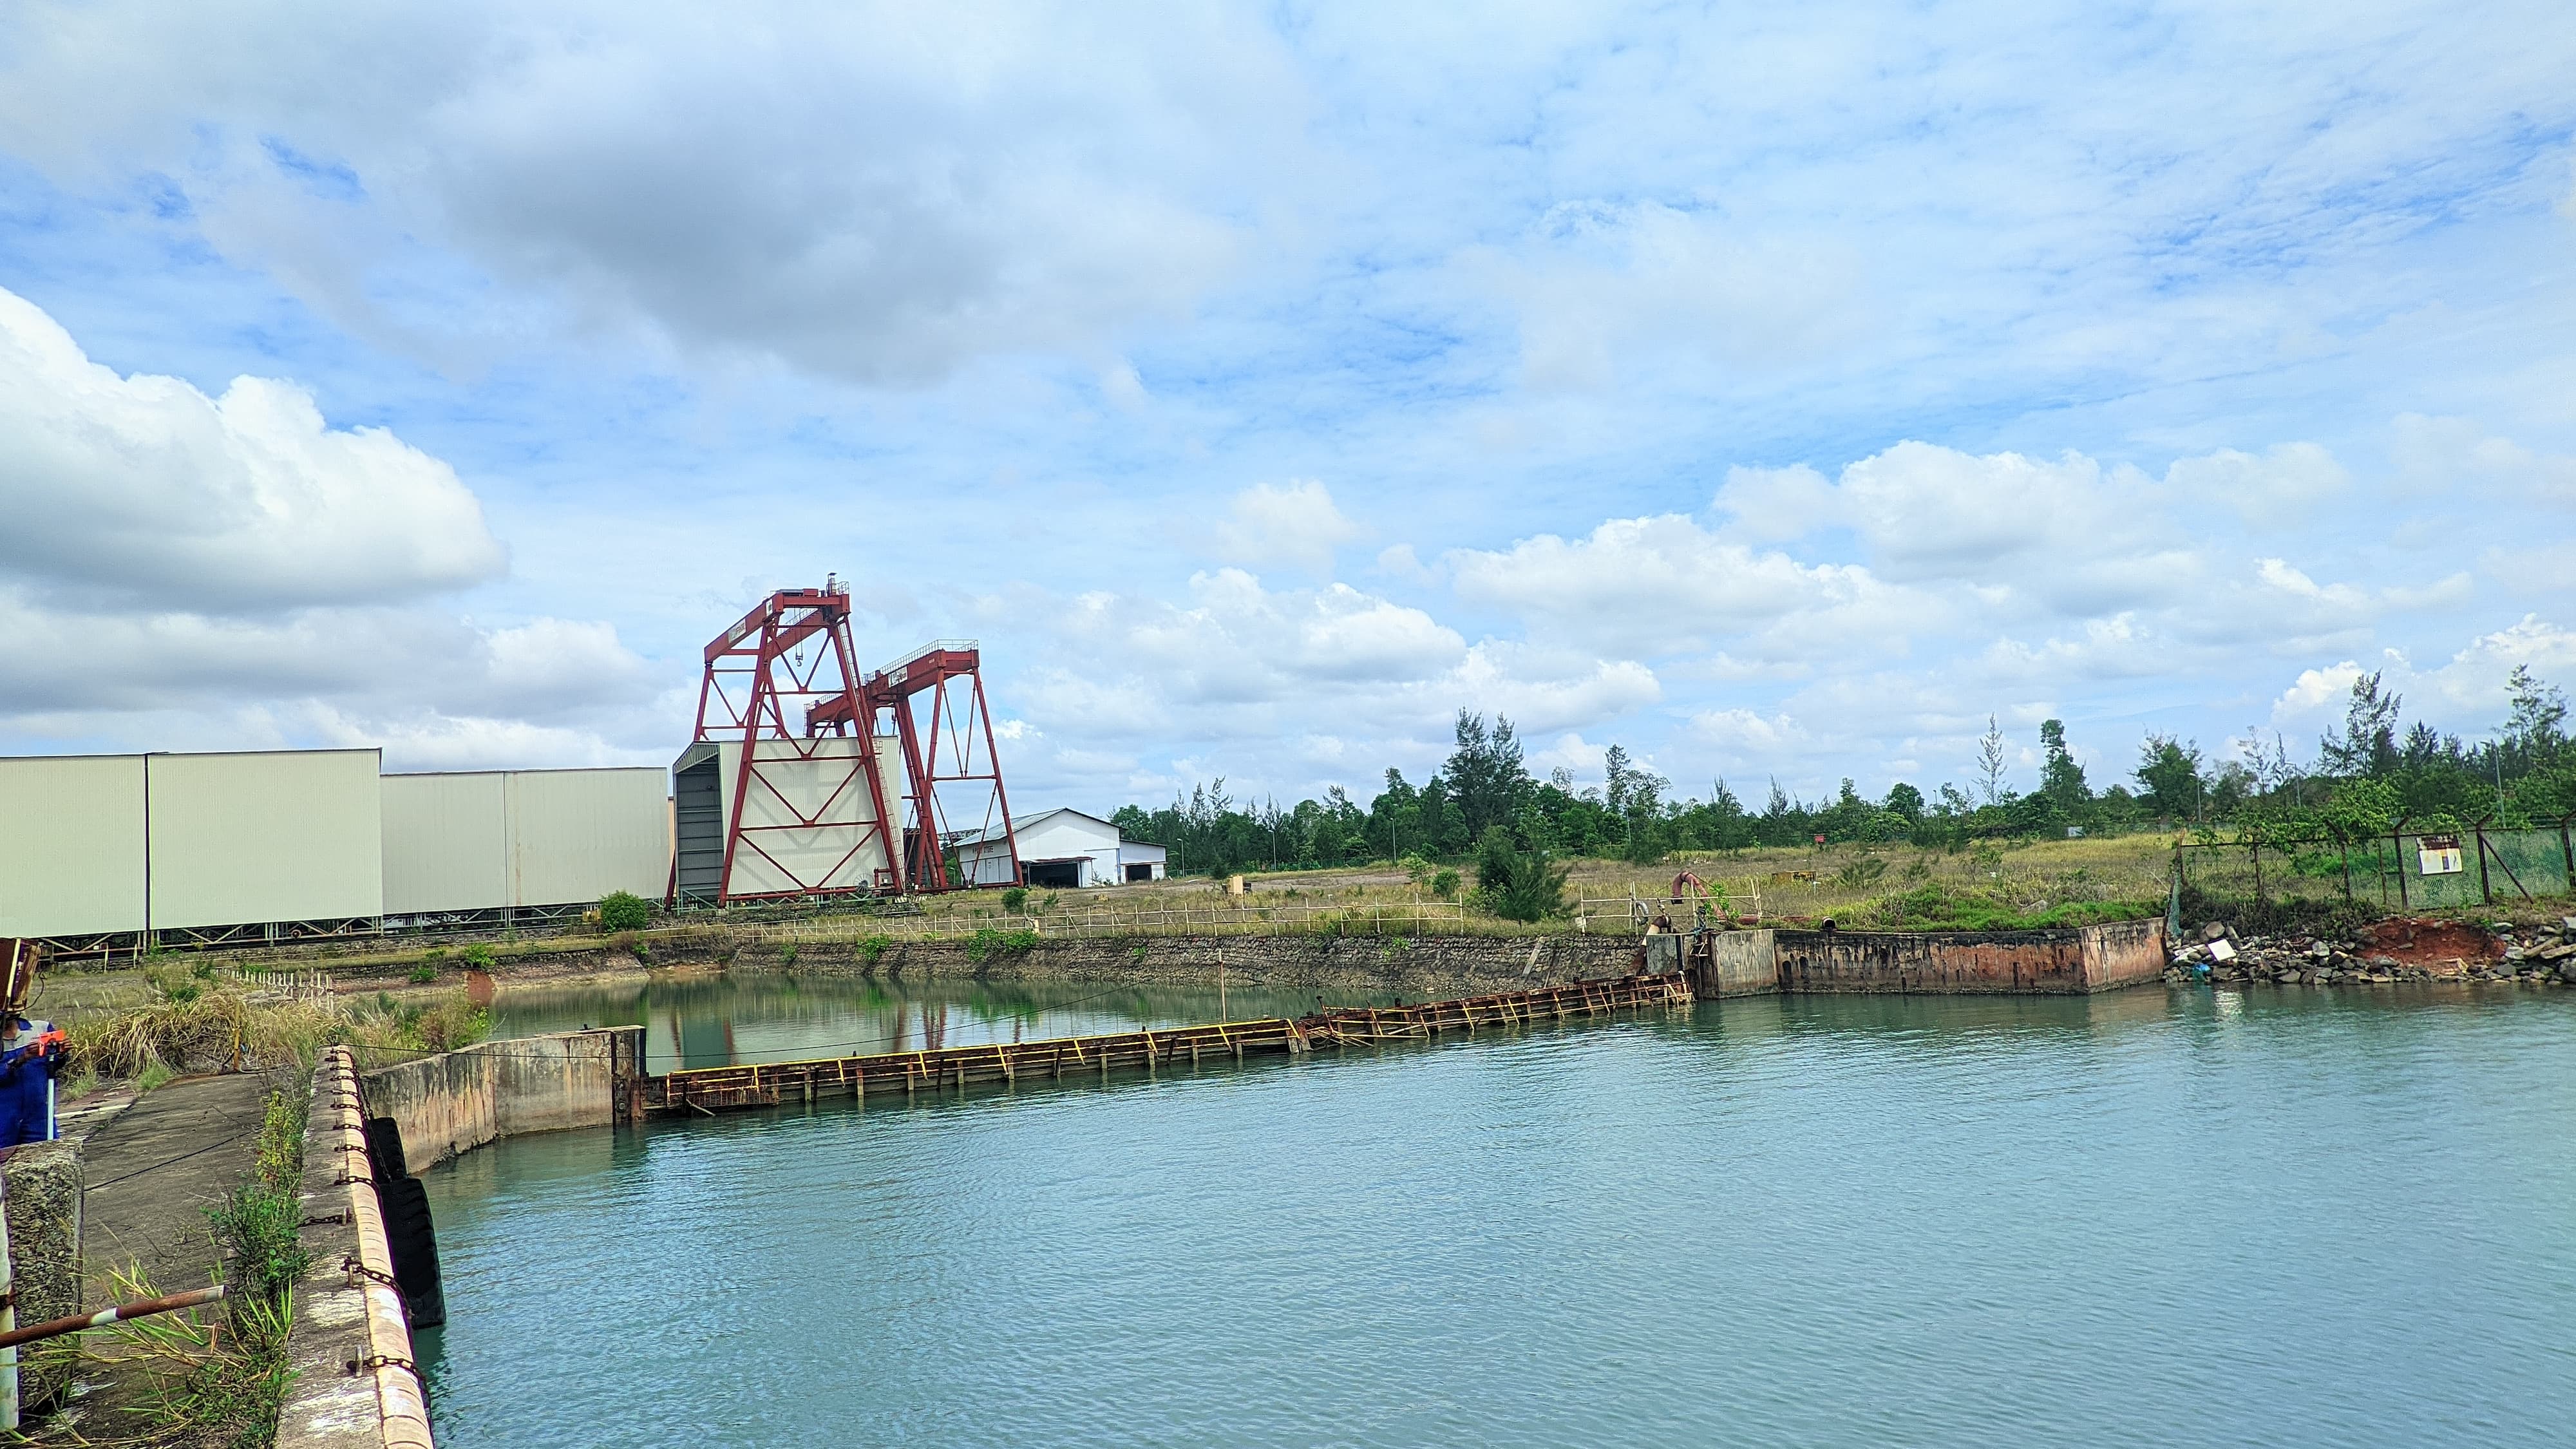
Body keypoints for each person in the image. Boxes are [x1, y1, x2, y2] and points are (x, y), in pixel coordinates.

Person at [0, 1016, 62, 1147]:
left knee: (48, 1156)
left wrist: (61, 1053)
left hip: (39, 1117)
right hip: (3, 1120)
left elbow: (54, 1064)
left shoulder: (41, 1029)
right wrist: (21, 1059)